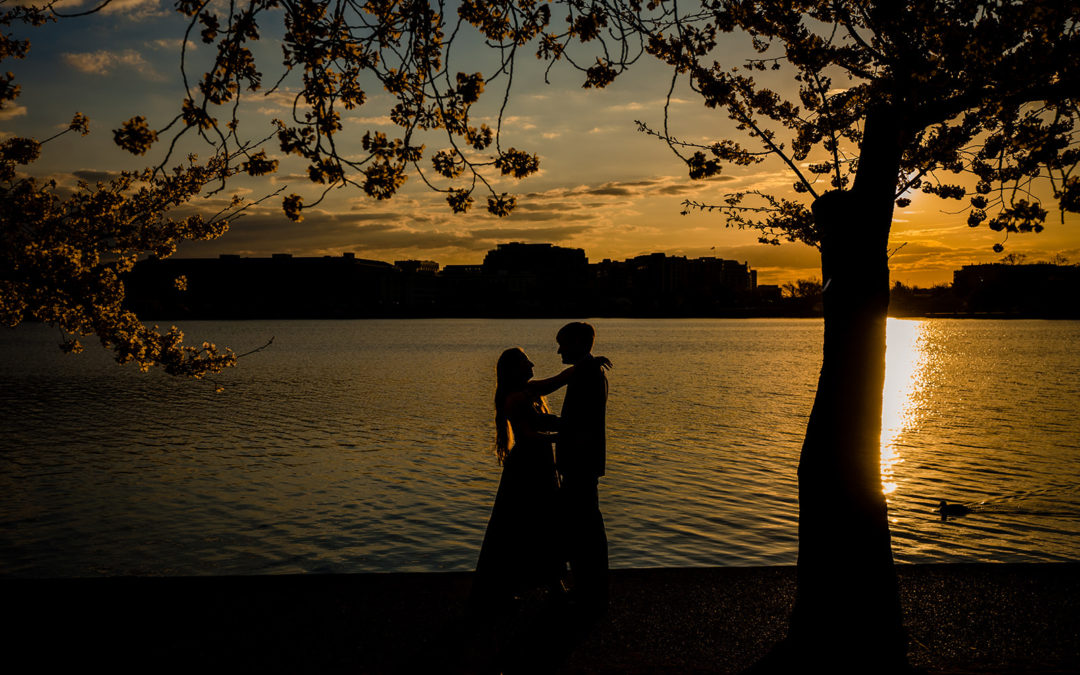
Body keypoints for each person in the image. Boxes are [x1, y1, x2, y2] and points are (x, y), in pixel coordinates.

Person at [471, 347, 609, 614]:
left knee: (546, 525)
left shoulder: (532, 391)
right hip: (525, 468)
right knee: (520, 526)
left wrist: (588, 365)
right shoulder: (513, 398)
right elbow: (530, 436)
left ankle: (551, 584)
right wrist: (567, 437)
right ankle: (514, 587)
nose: (532, 363)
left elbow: (560, 379)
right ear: (514, 369)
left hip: (541, 465)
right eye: (525, 361)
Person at [554, 322, 609, 616]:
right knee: (585, 526)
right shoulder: (588, 371)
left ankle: (590, 590)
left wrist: (548, 425)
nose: (559, 350)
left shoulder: (587, 375)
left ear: (579, 342)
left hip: (580, 462)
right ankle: (591, 588)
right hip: (583, 461)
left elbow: (579, 423)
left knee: (584, 528)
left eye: (563, 343)